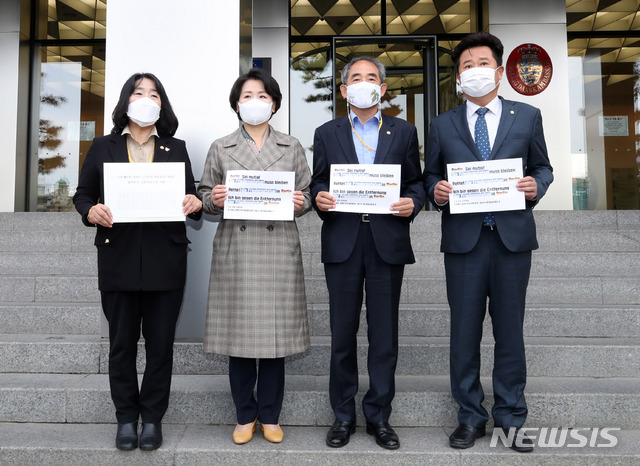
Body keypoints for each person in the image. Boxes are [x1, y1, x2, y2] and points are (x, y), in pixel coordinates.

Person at [423, 32, 554, 453]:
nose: (474, 70)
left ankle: (511, 418)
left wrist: (537, 185)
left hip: (512, 240)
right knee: (464, 333)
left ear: (499, 71)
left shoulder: (527, 116)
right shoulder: (442, 124)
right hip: (464, 241)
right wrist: (436, 192)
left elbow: (543, 167)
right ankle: (470, 417)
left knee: (510, 333)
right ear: (458, 78)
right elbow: (429, 176)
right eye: (466, 66)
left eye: (482, 63)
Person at [73, 73, 202, 451]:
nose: (146, 99)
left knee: (161, 346)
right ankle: (126, 418)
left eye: (153, 93)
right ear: (126, 101)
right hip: (119, 258)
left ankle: (153, 419)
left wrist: (194, 203)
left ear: (162, 104)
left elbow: (191, 199)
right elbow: (82, 195)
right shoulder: (102, 146)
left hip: (166, 259)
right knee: (122, 345)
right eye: (138, 92)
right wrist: (90, 211)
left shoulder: (175, 148)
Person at [310, 56, 424, 450]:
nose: (363, 83)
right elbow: (318, 182)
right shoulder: (326, 132)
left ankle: (378, 416)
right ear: (343, 90)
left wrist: (413, 202)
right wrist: (318, 198)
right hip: (342, 242)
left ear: (383, 88)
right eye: (355, 78)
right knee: (342, 334)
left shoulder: (404, 132)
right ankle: (343, 416)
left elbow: (416, 183)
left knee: (384, 336)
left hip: (386, 242)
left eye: (371, 77)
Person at [198, 68, 311, 445]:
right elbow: (202, 196)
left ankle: (271, 415)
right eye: (247, 96)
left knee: (275, 341)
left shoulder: (291, 146)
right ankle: (245, 415)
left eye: (262, 95)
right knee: (240, 339)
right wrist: (212, 199)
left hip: (278, 249)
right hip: (237, 251)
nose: (255, 102)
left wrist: (301, 201)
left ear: (274, 103)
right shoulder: (221, 146)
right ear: (236, 104)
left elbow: (308, 193)